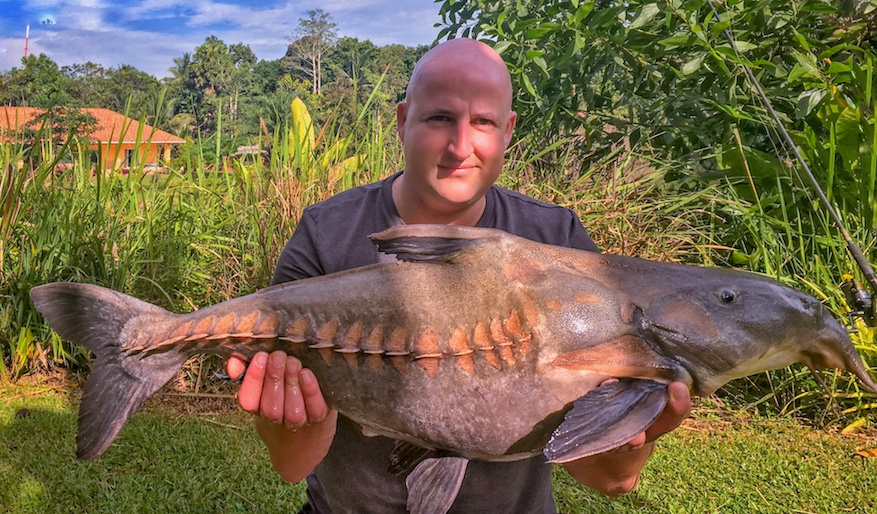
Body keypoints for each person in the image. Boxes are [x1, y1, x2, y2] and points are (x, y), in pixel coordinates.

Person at [225, 38, 691, 513]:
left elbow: (609, 480)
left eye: (483, 121)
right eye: (440, 117)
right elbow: (292, 464)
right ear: (403, 121)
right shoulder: (329, 233)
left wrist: (627, 435)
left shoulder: (555, 238)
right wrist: (291, 415)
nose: (460, 146)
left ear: (508, 130)